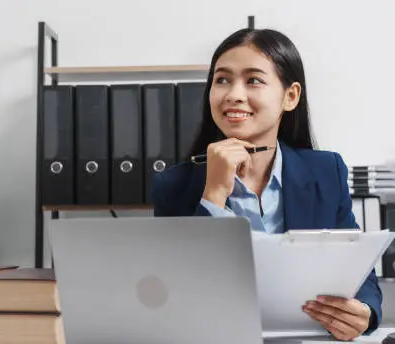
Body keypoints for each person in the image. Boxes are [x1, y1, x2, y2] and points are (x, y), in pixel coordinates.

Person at [150, 28, 382, 340]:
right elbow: (173, 292)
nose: (233, 94)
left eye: (253, 80)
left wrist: (365, 311)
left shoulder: (326, 171)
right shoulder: (174, 184)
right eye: (222, 80)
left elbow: (357, 267)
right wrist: (214, 195)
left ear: (291, 96)